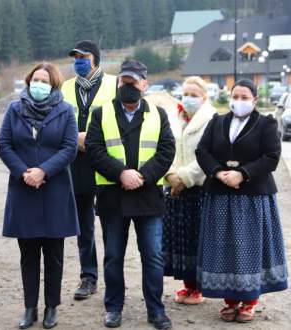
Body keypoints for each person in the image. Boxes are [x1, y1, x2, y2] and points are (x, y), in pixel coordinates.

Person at [85, 60, 175, 329]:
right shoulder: (101, 114)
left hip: (148, 198)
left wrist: (143, 176)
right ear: (118, 83)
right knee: (113, 256)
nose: (128, 86)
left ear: (144, 85)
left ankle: (156, 310)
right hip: (113, 197)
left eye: (133, 82)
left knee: (153, 257)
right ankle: (113, 308)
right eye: (124, 81)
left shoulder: (158, 114)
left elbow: (166, 151)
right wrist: (121, 173)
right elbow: (94, 149)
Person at [195, 78, 288, 323]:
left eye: (245, 97)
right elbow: (202, 151)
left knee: (250, 249)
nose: (239, 101)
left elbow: (272, 157)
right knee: (223, 248)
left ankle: (250, 301)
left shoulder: (265, 124)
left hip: (252, 197)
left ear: (255, 100)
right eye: (236, 96)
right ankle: (230, 300)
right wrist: (217, 172)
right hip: (220, 195)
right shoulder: (218, 122)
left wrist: (242, 174)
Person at [0, 62, 79, 330]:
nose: (39, 84)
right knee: (28, 254)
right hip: (24, 190)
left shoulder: (66, 111)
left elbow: (69, 148)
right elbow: (4, 145)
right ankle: (29, 308)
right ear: (29, 81)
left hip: (55, 190)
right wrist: (24, 172)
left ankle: (51, 307)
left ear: (53, 84)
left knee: (54, 254)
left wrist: (43, 171)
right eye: (35, 79)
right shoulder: (14, 109)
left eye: (45, 80)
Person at [62, 40, 117, 300]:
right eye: (75, 58)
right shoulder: (65, 87)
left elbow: (122, 122)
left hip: (106, 161)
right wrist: (75, 138)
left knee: (110, 224)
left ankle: (114, 277)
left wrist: (93, 140)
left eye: (82, 57)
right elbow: (58, 121)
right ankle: (88, 277)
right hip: (77, 163)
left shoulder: (114, 84)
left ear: (94, 59)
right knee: (83, 225)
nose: (78, 62)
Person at [162, 76, 216, 305]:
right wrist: (171, 176)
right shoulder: (174, 117)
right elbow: (164, 147)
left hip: (199, 188)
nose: (189, 98)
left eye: (194, 95)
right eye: (186, 93)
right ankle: (188, 285)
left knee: (198, 240)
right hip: (175, 188)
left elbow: (210, 155)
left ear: (204, 97)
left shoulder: (212, 119)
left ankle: (199, 288)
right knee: (180, 240)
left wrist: (183, 178)